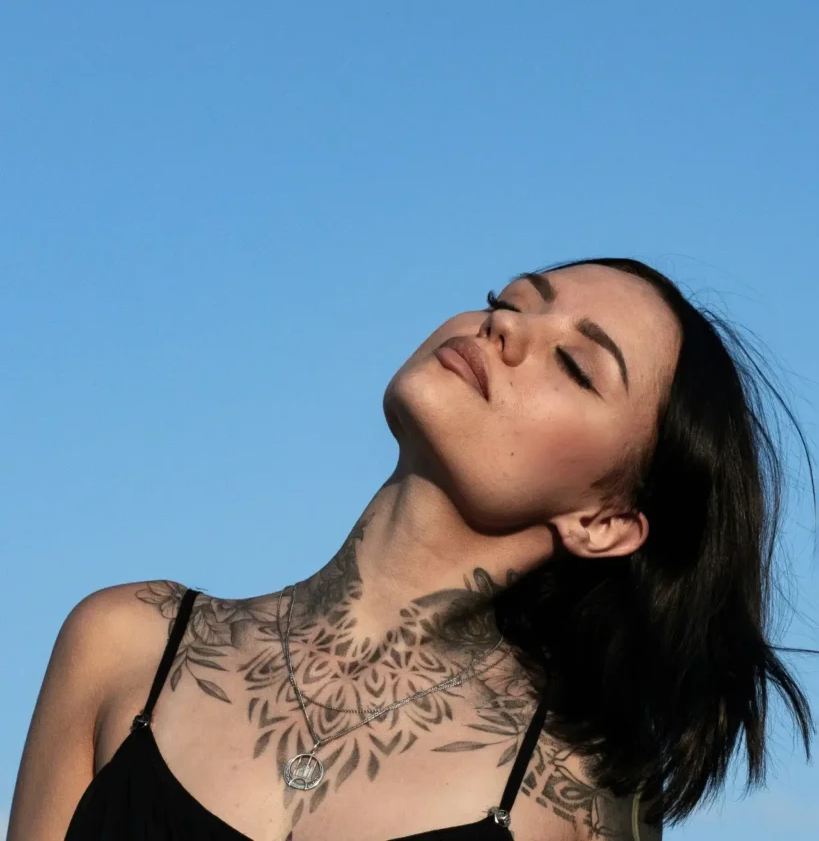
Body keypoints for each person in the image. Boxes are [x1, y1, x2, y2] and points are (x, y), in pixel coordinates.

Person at [9, 258, 814, 841]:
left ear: (603, 521)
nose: (503, 328)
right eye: (506, 301)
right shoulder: (128, 642)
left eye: (573, 363)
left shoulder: (574, 797)